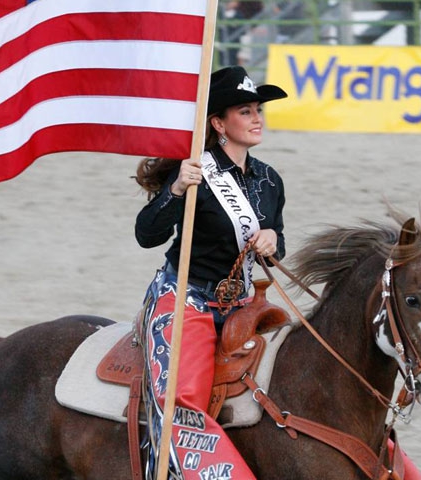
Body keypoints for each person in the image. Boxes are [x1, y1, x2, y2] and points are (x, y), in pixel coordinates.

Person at [134, 65, 287, 479]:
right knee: (181, 403)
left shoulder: (270, 180)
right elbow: (146, 235)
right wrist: (176, 189)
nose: (257, 118)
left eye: (258, 109)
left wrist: (272, 237)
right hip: (187, 298)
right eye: (245, 111)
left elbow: (279, 247)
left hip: (243, 304)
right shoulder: (197, 172)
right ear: (219, 122)